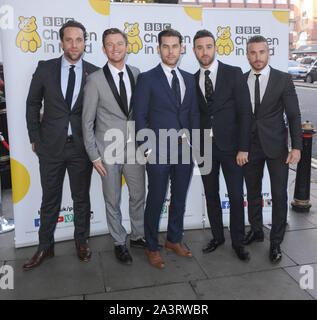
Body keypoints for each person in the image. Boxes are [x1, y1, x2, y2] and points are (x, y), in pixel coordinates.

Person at [24, 20, 99, 270]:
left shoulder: (94, 72)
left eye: (79, 40)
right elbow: (33, 104)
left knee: (81, 198)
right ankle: (45, 246)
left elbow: (100, 113)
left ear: (85, 42)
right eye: (69, 40)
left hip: (80, 148)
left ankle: (82, 241)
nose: (74, 44)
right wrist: (35, 138)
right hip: (51, 147)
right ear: (61, 42)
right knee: (50, 199)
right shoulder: (45, 69)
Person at [133, 29, 200, 268]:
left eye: (175, 46)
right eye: (166, 46)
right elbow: (139, 117)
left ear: (182, 48)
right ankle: (152, 246)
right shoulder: (147, 79)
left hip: (184, 152)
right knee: (156, 200)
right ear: (159, 49)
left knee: (179, 199)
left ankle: (174, 240)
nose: (171, 51)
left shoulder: (190, 78)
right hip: (157, 152)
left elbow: (192, 114)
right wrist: (147, 151)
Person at [82, 28, 145, 265]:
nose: (116, 48)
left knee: (138, 195)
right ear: (103, 48)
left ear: (127, 46)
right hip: (106, 151)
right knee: (112, 198)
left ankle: (138, 235)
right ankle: (119, 241)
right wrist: (93, 156)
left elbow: (140, 112)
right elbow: (87, 121)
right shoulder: (95, 80)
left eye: (120, 43)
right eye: (110, 44)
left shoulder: (137, 74)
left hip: (134, 149)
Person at [193, 29, 252, 261]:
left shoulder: (233, 73)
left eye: (208, 46)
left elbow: (245, 113)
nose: (204, 51)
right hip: (205, 149)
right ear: (194, 50)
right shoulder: (191, 78)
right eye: (199, 47)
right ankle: (217, 237)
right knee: (211, 194)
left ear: (215, 47)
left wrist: (244, 147)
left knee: (236, 196)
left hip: (232, 149)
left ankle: (238, 242)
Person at [243, 35, 302, 263]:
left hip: (277, 147)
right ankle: (256, 230)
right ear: (247, 55)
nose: (258, 57)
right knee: (253, 192)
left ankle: (276, 241)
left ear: (268, 53)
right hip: (249, 147)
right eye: (253, 53)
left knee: (278, 195)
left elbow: (294, 116)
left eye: (262, 52)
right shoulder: (240, 80)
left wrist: (296, 147)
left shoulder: (282, 79)